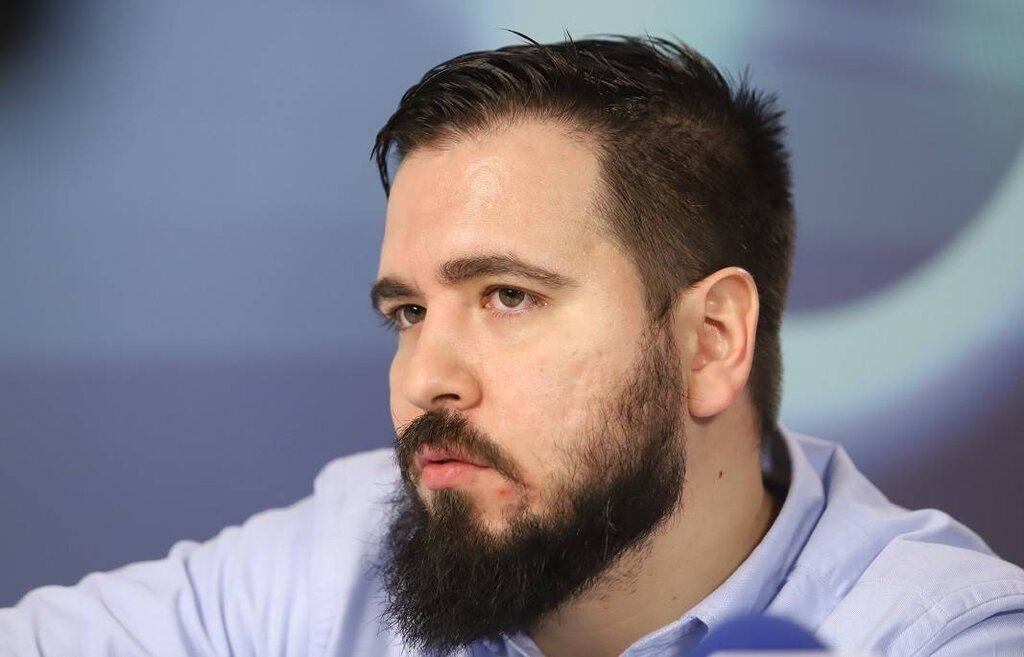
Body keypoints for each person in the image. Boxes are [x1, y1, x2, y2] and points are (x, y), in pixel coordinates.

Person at [2, 35, 1022, 657]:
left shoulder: (941, 633)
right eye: (408, 313)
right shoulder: (339, 560)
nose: (423, 381)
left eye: (507, 296)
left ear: (712, 341)